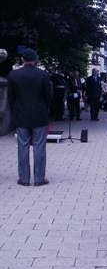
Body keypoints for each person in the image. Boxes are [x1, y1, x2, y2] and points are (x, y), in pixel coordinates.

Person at [7, 48, 53, 186]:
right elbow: (48, 97)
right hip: (39, 115)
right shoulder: (43, 75)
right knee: (39, 147)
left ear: (22, 59)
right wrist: (45, 109)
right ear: (35, 60)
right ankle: (39, 178)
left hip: (21, 115)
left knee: (23, 146)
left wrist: (16, 110)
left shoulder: (13, 75)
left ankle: (24, 178)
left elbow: (11, 97)